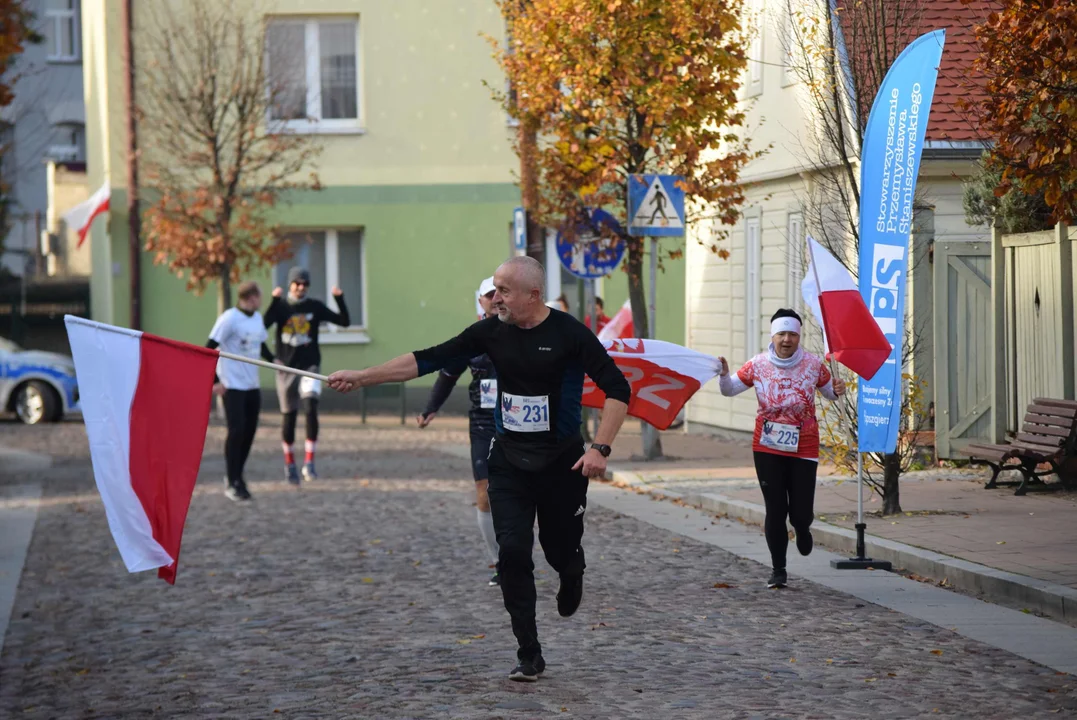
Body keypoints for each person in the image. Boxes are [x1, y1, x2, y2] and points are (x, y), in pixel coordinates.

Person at [328, 256, 631, 683]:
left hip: (562, 463)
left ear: (533, 295)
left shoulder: (569, 334)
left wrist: (601, 447)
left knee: (559, 548)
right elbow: (427, 359)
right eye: (494, 291)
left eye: (504, 291)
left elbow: (619, 388)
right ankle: (529, 651)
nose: (495, 299)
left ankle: (571, 569)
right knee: (511, 553)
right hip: (508, 461)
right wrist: (362, 377)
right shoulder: (490, 331)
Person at [718, 308, 846, 589]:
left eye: (792, 334)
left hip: (805, 444)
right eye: (782, 334)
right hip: (767, 445)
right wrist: (724, 375)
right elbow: (729, 390)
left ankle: (802, 527)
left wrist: (838, 388)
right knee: (775, 508)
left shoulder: (813, 364)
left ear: (799, 336)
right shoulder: (758, 364)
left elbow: (830, 393)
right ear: (773, 335)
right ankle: (778, 570)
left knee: (800, 511)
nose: (787, 340)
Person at [417, 276, 502, 587]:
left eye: (500, 293)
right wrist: (430, 408)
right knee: (485, 492)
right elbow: (447, 374)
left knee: (519, 495)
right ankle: (500, 561)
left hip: (519, 422)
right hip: (482, 422)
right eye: (489, 295)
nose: (495, 299)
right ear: (480, 301)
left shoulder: (523, 332)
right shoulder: (472, 338)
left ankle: (518, 554)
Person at [264, 267, 350, 485]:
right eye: (297, 283)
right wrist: (271, 357)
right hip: (286, 368)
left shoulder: (315, 307)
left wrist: (339, 299)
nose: (301, 288)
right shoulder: (281, 307)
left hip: (310, 366)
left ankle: (309, 463)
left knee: (311, 407)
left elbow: (344, 321)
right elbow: (261, 328)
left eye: (305, 284)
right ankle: (290, 464)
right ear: (291, 284)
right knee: (289, 416)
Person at [206, 281, 275, 502]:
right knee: (236, 431)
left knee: (249, 431)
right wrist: (214, 381)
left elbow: (261, 345)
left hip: (251, 384)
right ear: (251, 297)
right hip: (232, 385)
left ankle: (239, 476)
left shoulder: (256, 319)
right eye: (259, 297)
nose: (261, 302)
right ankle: (231, 478)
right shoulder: (229, 318)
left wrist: (275, 360)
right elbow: (209, 347)